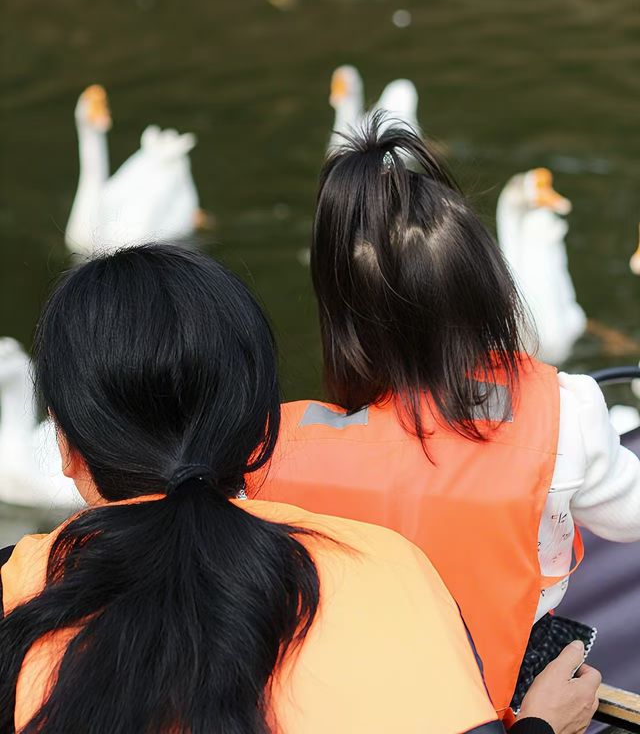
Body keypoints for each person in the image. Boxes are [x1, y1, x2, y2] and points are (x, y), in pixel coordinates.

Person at [0, 244, 599, 734]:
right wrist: (540, 726)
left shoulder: (14, 591)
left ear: (67, 448)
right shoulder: (385, 569)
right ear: (259, 430)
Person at [250, 117, 640, 719]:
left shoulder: (271, 448)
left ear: (342, 323)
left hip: (351, 701)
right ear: (490, 296)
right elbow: (630, 516)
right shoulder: (568, 414)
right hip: (499, 699)